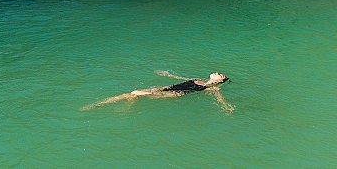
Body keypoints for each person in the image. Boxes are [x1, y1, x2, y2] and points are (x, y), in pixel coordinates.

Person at [81, 71, 234, 112]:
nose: (217, 72)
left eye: (221, 74)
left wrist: (226, 106)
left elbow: (219, 98)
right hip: (169, 87)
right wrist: (167, 74)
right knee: (132, 94)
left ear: (220, 80)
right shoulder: (198, 78)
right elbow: (182, 78)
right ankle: (126, 105)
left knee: (134, 92)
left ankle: (96, 105)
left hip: (175, 94)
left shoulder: (212, 88)